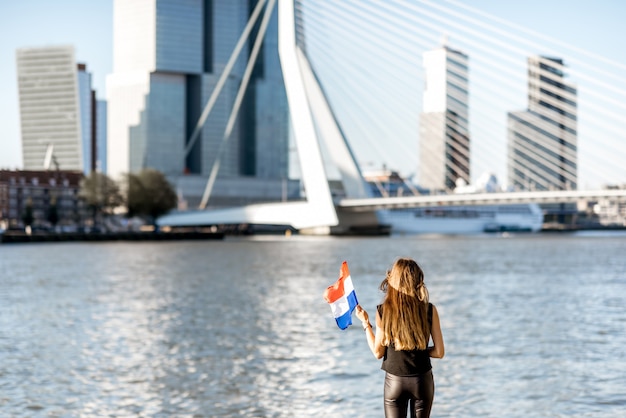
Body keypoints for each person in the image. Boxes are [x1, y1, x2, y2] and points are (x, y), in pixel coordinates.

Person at [355, 257, 444, 418]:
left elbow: (378, 353)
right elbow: (439, 352)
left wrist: (366, 323)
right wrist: (419, 350)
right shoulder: (430, 310)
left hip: (394, 382)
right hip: (422, 381)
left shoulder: (383, 311)